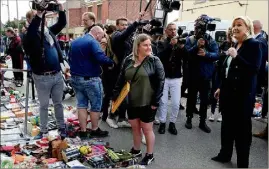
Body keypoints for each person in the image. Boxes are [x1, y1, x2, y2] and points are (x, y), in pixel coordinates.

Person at [212, 16, 262, 168]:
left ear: (247, 28)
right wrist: (221, 87)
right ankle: (225, 154)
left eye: (239, 25)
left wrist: (237, 57)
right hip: (228, 94)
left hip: (242, 97)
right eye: (234, 25)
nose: (235, 28)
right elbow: (229, 70)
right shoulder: (236, 44)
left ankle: (242, 163)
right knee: (226, 127)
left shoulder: (254, 44)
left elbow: (254, 70)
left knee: (241, 133)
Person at [113, 33, 165, 165]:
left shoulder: (154, 61)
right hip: (131, 101)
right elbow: (121, 78)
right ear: (137, 46)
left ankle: (150, 154)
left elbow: (161, 81)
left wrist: (156, 101)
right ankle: (136, 150)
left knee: (147, 129)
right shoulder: (128, 60)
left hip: (148, 101)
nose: (149, 48)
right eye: (145, 45)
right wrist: (115, 94)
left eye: (149, 45)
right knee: (135, 128)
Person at [23, 1, 67, 139]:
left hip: (57, 75)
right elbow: (30, 34)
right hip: (42, 77)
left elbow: (61, 24)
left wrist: (61, 10)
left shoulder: (49, 32)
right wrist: (39, 15)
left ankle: (61, 127)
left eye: (44, 18)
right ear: (29, 20)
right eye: (36, 18)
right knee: (44, 105)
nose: (43, 20)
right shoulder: (28, 35)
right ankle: (43, 130)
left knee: (58, 103)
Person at [69, 26, 114, 139]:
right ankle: (94, 129)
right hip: (90, 79)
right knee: (95, 106)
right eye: (102, 35)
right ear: (97, 33)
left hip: (76, 78)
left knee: (81, 105)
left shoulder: (75, 41)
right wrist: (111, 62)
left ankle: (83, 131)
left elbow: (70, 58)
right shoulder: (92, 42)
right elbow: (101, 57)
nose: (102, 38)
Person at [106, 13, 145, 128]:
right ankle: (111, 116)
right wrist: (136, 22)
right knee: (119, 95)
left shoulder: (126, 38)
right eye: (122, 25)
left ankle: (122, 118)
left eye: (126, 25)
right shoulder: (117, 36)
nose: (124, 27)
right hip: (118, 71)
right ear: (117, 26)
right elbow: (126, 33)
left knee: (125, 95)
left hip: (128, 69)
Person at [184, 15, 219, 133]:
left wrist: (206, 54)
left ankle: (202, 122)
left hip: (206, 76)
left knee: (204, 100)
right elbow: (187, 55)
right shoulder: (190, 39)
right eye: (197, 27)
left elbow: (216, 55)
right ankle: (189, 118)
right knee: (191, 98)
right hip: (193, 75)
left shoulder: (210, 39)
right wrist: (196, 46)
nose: (198, 29)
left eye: (200, 27)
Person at [157, 22, 187, 135]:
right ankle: (162, 123)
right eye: (171, 29)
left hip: (176, 77)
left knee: (175, 103)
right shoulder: (161, 43)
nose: (173, 31)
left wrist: (182, 47)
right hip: (164, 77)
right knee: (163, 102)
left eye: (175, 29)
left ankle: (172, 123)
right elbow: (160, 56)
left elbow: (187, 57)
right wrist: (170, 45)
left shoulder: (180, 43)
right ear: (166, 31)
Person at [253, 20, 268, 96]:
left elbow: (259, 60)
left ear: (253, 27)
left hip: (256, 75)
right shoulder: (258, 40)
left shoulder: (260, 41)